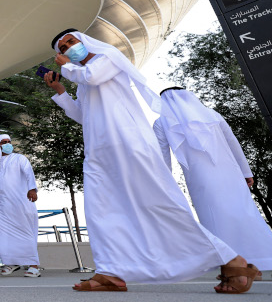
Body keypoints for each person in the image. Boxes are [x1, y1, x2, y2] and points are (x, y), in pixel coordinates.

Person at [47, 29, 257, 293]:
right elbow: (83, 115)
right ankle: (109, 271)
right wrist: (60, 92)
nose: (68, 49)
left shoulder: (108, 57)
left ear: (83, 40)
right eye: (63, 48)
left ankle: (232, 261)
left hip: (130, 146)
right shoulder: (81, 81)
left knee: (158, 203)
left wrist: (67, 68)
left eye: (70, 42)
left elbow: (93, 75)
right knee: (101, 210)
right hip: (100, 153)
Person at [154, 87, 272, 272]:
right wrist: (245, 172)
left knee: (214, 217)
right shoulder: (212, 115)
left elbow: (162, 157)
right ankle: (252, 262)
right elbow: (233, 142)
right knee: (243, 213)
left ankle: (232, 264)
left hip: (201, 180)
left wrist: (163, 184)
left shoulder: (162, 122)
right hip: (231, 174)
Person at [0, 134, 40, 277]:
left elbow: (28, 173)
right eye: (4, 142)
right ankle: (11, 262)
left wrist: (32, 189)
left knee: (25, 232)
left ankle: (33, 266)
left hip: (19, 202)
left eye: (8, 141)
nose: (7, 144)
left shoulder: (19, 158)